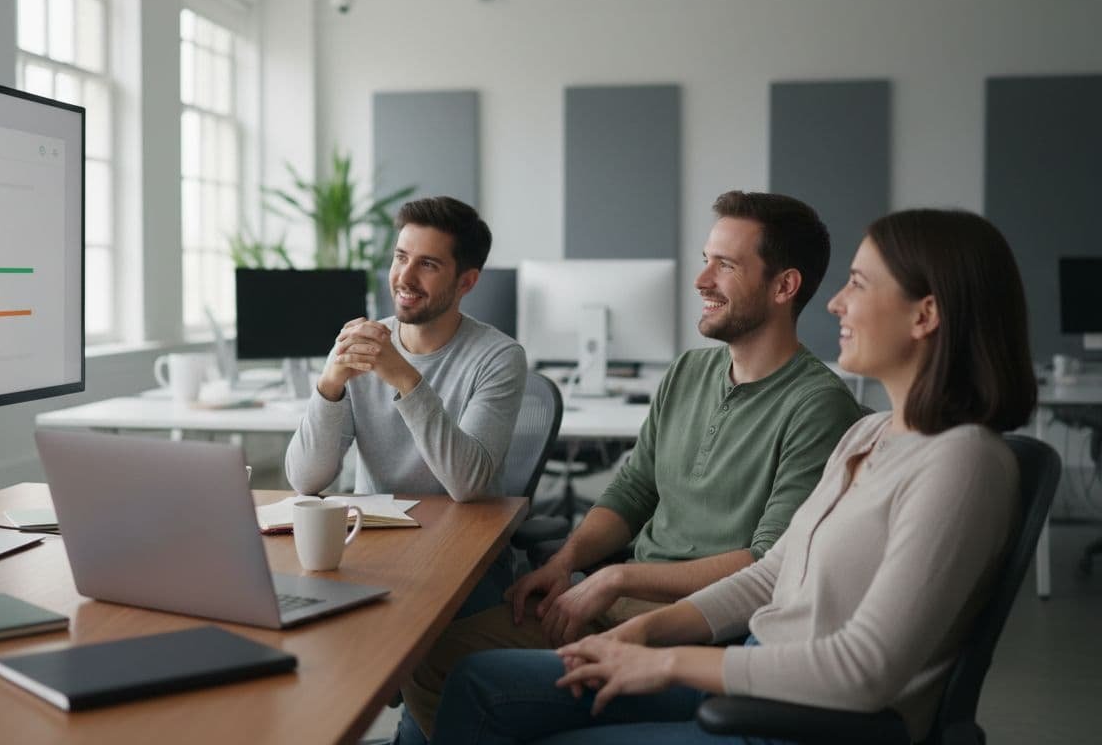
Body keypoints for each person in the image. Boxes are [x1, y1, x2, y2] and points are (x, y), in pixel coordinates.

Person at [429, 208, 1038, 745]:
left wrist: (669, 664)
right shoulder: (870, 434)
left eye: (858, 283)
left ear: (925, 314)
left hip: (807, 720)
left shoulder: (963, 463)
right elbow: (774, 574)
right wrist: (642, 634)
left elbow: (864, 669)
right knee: (480, 682)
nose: (835, 303)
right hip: (756, 673)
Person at [399, 191, 864, 742]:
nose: (701, 280)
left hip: (696, 629)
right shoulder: (689, 371)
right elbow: (633, 489)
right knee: (429, 656)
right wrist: (567, 561)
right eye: (705, 259)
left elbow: (767, 563)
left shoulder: (818, 405)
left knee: (477, 684)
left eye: (726, 265)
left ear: (784, 287)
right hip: (612, 601)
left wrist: (617, 576)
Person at [285, 196, 527, 610]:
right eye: (401, 257)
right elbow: (306, 479)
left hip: (464, 556)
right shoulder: (361, 341)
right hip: (372, 545)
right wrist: (330, 385)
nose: (405, 277)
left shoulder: (498, 357)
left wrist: (403, 376)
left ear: (466, 282)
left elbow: (467, 484)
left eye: (428, 265)